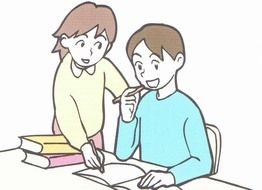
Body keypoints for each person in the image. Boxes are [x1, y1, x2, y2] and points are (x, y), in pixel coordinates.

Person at [115, 23, 212, 189]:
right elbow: (122, 154)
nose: (146, 73)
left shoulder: (188, 109)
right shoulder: (144, 102)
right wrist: (126, 118)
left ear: (178, 61)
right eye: (139, 66)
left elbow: (204, 162)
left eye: (155, 64)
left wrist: (171, 176)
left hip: (178, 184)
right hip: (147, 182)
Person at [52, 2, 127, 170]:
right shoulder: (64, 75)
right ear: (65, 41)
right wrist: (84, 146)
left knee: (98, 171)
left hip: (95, 133)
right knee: (70, 172)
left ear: (108, 47)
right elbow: (66, 115)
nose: (90, 53)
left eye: (98, 45)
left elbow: (122, 89)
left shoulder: (103, 66)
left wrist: (127, 97)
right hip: (66, 134)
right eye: (82, 43)